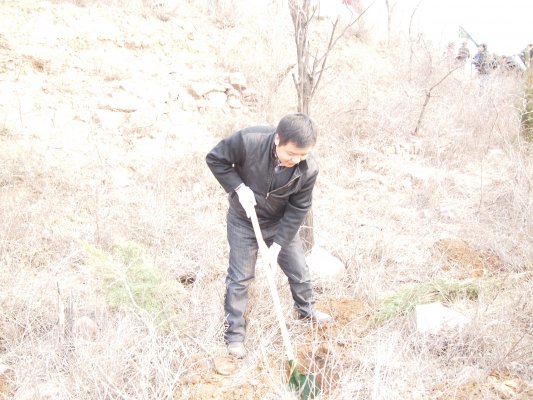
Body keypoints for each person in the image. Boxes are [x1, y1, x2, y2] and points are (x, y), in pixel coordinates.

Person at [206, 113, 334, 359]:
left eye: (302, 155)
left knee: (299, 271)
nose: (296, 160)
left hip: (279, 223)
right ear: (277, 139)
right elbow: (215, 158)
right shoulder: (249, 140)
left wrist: (276, 247)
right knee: (240, 278)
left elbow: (298, 209)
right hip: (244, 220)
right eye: (291, 154)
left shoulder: (308, 169)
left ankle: (307, 311)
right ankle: (234, 335)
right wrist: (238, 187)